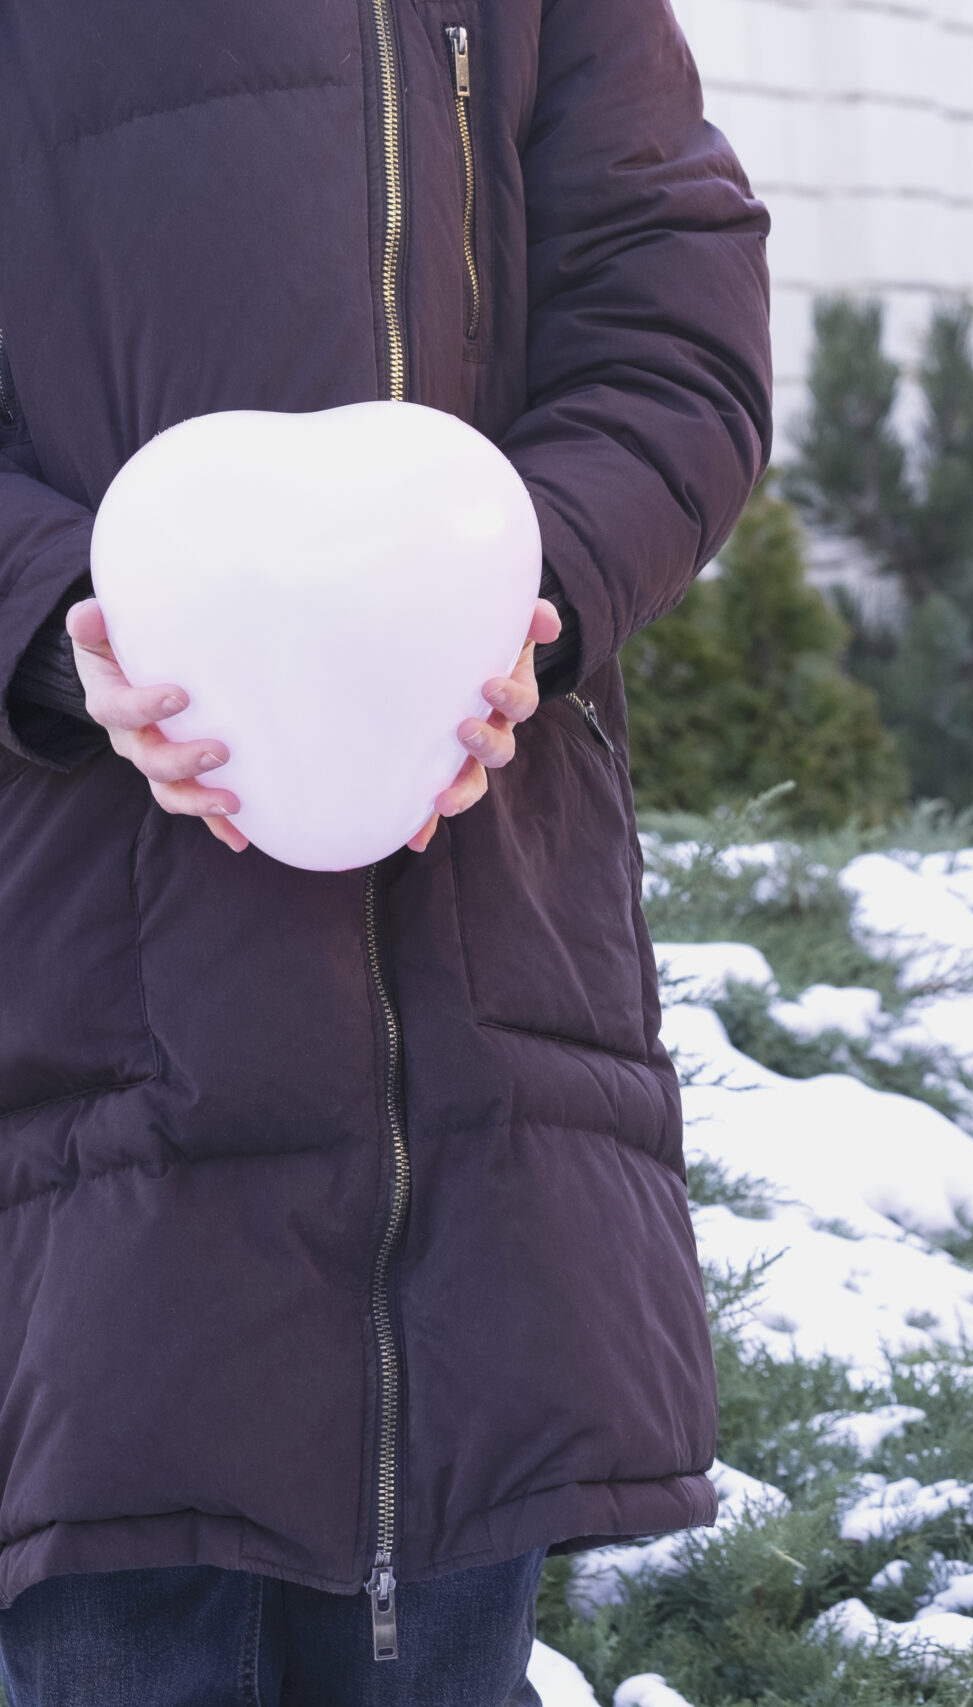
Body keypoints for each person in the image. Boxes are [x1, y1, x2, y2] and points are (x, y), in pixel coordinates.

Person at [0, 1, 769, 1700]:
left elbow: (677, 331)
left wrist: (532, 595)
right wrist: (62, 628)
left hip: (475, 1083)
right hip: (87, 1064)